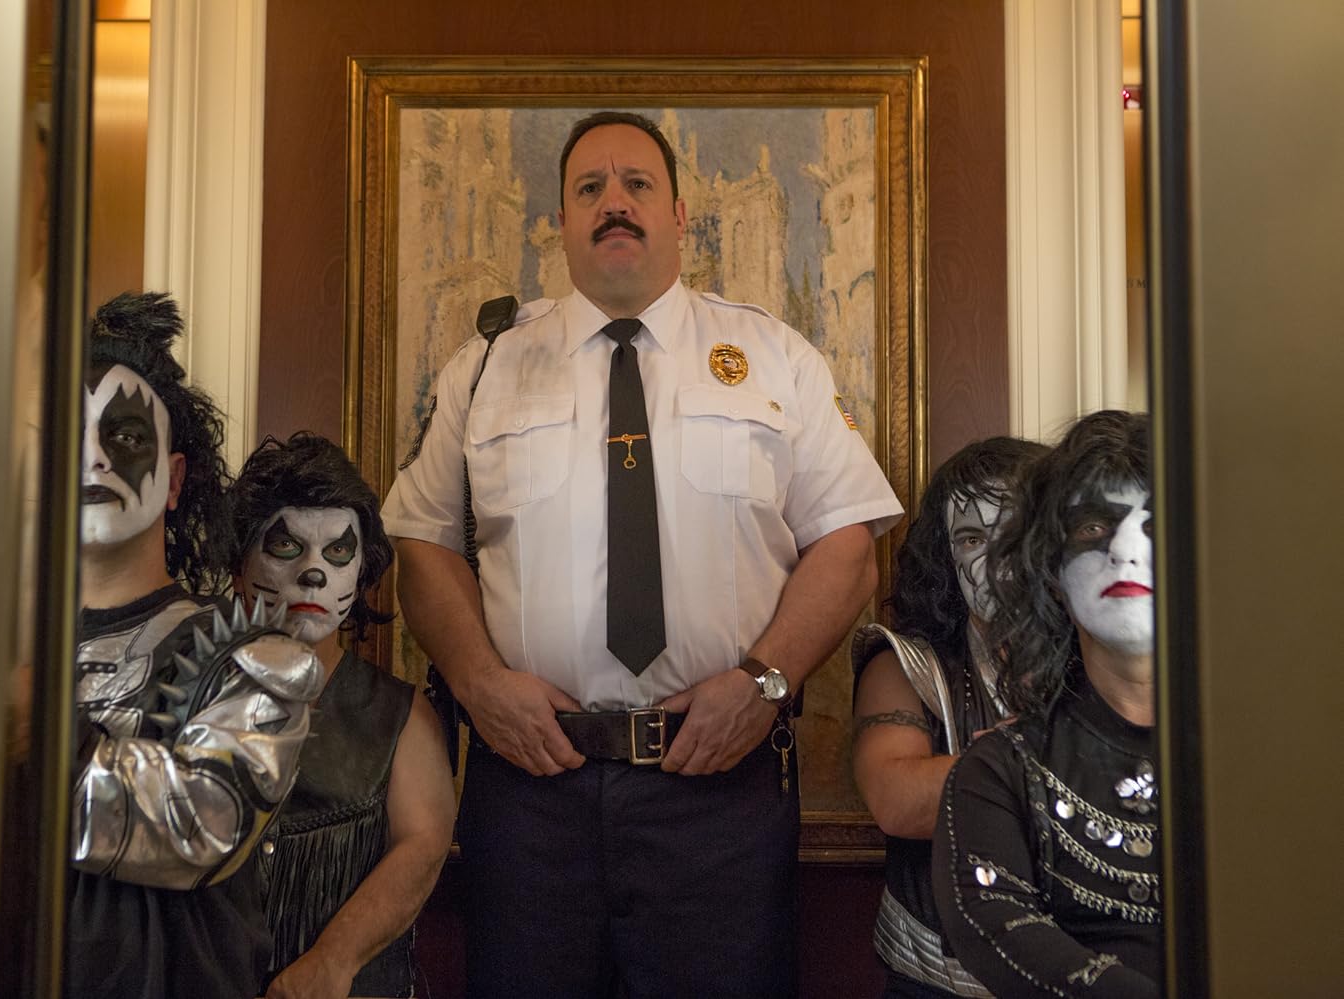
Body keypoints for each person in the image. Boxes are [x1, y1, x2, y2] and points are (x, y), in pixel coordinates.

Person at [382, 110, 903, 998]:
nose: (613, 202)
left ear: (680, 214)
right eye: (589, 188)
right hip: (531, 792)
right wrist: (479, 682)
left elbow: (848, 547)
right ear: (560, 222)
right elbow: (424, 546)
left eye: (637, 185)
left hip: (720, 794)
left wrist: (764, 684)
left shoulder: (774, 356)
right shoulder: (486, 366)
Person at [67, 292, 323, 999]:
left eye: (124, 436)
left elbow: (204, 823)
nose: (92, 458)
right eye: (67, 434)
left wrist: (43, 742)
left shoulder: (256, 660)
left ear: (175, 479)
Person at [933, 410, 1160, 998]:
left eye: (1159, 525)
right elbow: (998, 930)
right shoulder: (997, 773)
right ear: (1051, 570)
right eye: (1093, 527)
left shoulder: (1291, 752)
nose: (1126, 551)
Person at [226, 432, 455, 998]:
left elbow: (424, 846)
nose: (313, 573)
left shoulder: (403, 716)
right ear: (238, 566)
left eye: (336, 551)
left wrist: (333, 960)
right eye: (286, 545)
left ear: (362, 571)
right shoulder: (190, 696)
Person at [851, 436, 1048, 997]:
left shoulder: (1097, 655)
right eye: (971, 538)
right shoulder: (903, 662)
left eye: (1014, 533)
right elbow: (896, 802)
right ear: (946, 554)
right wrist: (1042, 758)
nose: (995, 562)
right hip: (939, 979)